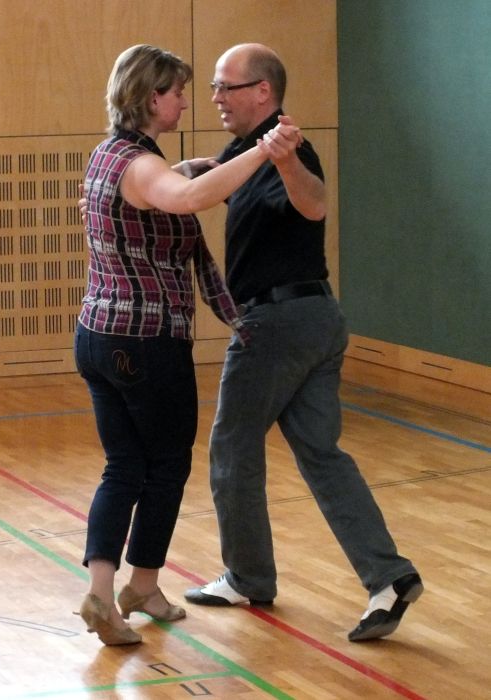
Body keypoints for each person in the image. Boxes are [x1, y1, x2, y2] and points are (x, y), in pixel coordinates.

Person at [182, 43, 423, 642]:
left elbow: (313, 204)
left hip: (278, 323)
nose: (216, 97)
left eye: (226, 86)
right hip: (315, 320)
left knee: (232, 447)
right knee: (321, 453)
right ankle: (389, 576)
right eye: (213, 86)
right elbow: (204, 176)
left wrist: (288, 162)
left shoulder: (290, 148)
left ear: (263, 91)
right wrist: (151, 173)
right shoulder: (247, 150)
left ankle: (248, 577)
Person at [74, 43, 301, 646]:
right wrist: (264, 150)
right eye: (177, 92)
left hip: (97, 336)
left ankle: (112, 591)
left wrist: (191, 167)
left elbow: (163, 190)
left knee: (124, 465)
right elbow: (185, 199)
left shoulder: (110, 154)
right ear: (153, 98)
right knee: (167, 465)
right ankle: (134, 585)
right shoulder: (142, 166)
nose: (186, 101)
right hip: (146, 341)